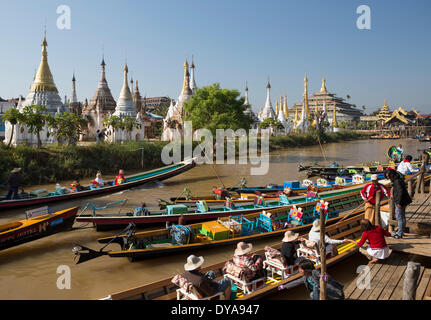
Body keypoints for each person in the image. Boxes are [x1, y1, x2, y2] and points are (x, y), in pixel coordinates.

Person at [279, 257, 345, 300]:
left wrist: (325, 278)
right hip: (323, 294)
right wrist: (285, 286)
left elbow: (325, 277)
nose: (299, 270)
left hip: (335, 294)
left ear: (306, 269)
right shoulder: (305, 277)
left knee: (315, 289)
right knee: (312, 293)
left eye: (300, 269)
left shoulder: (314, 272)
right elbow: (297, 282)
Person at [386, 169, 412, 239]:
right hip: (404, 200)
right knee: (402, 217)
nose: (388, 178)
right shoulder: (398, 179)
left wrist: (399, 203)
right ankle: (401, 230)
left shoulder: (397, 182)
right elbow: (397, 190)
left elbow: (400, 192)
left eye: (388, 177)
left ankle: (399, 234)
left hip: (401, 201)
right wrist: (393, 195)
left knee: (399, 217)